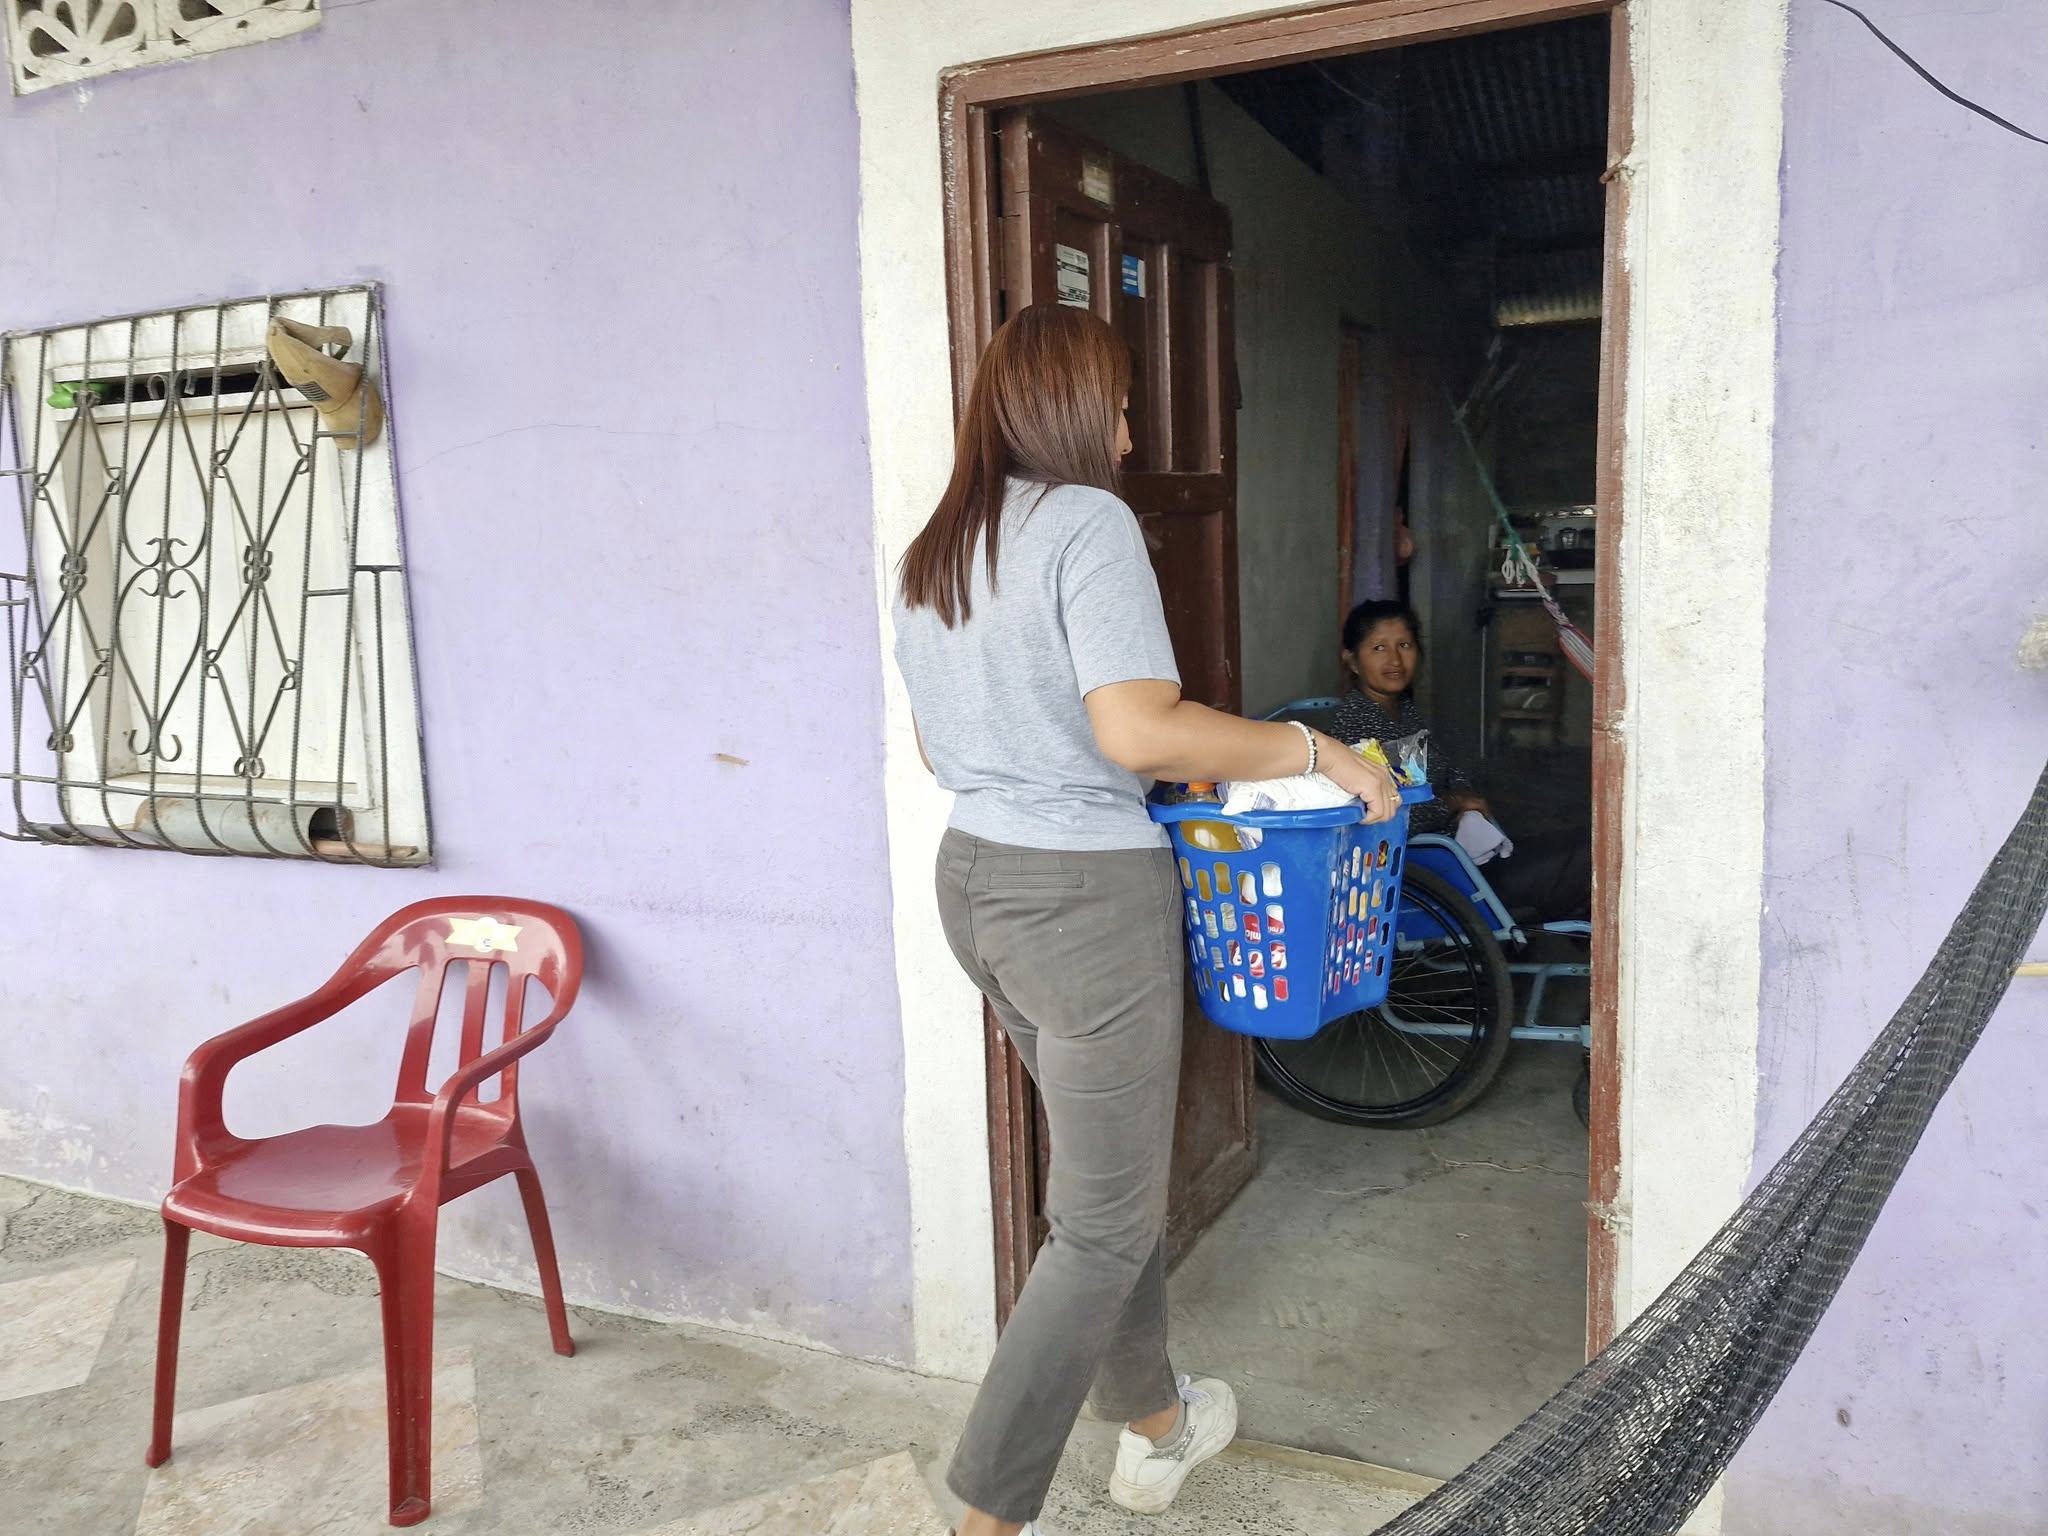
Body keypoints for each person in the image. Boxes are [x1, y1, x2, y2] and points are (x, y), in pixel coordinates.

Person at [894, 304, 1399, 1536]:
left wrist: (1118, 761)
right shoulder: (1087, 523)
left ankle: (1157, 1424)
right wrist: (1314, 749)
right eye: (1119, 408)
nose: (1126, 436)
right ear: (1071, 410)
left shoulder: (938, 551)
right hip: (1082, 903)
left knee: (1097, 1198)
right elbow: (1133, 730)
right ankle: (983, 1516)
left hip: (976, 881)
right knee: (1105, 1222)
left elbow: (943, 749)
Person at [1333, 598, 1590, 924]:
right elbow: (1385, 815)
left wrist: (1463, 796)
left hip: (1459, 858)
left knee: (1576, 845)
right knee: (1584, 856)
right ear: (1352, 661)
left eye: (1404, 645)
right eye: (1378, 648)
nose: (1395, 659)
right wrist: (1453, 803)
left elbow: (1446, 768)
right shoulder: (1357, 728)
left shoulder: (1403, 712)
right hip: (1434, 878)